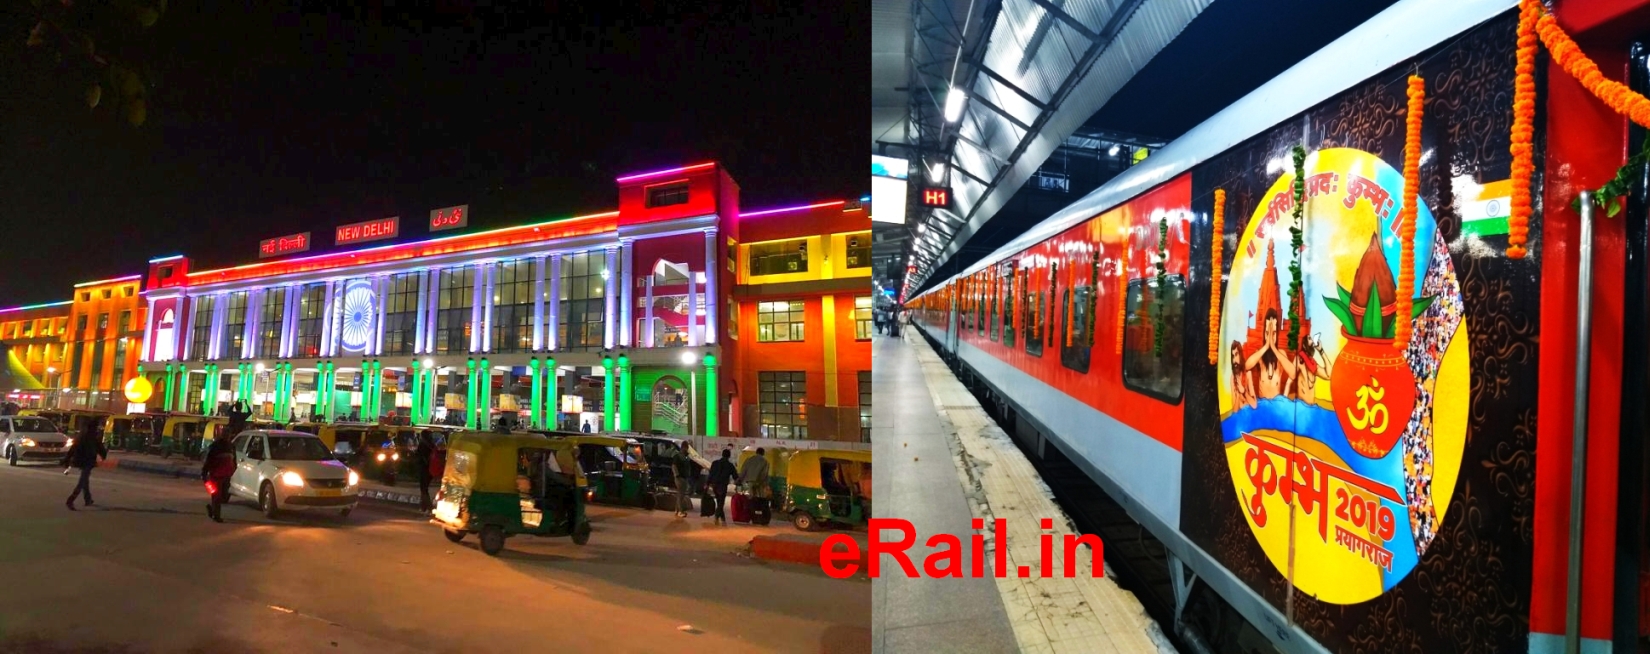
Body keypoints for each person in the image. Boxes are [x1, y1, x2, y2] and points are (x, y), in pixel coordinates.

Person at [62, 422, 108, 510]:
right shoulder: (93, 437)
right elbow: (100, 448)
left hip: (80, 461)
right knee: (82, 481)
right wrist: (103, 456)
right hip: (88, 461)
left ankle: (88, 499)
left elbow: (72, 449)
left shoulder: (81, 437)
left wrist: (67, 460)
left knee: (85, 480)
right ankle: (71, 500)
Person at [201, 431, 237, 522]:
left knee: (223, 496)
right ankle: (216, 516)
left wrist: (232, 471)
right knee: (216, 495)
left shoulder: (231, 447)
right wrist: (204, 474)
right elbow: (209, 460)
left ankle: (212, 511)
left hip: (226, 475)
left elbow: (234, 461)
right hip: (215, 475)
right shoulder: (215, 446)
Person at [706, 449, 738, 525]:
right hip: (722, 485)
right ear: (729, 456)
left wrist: (707, 483)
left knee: (719, 501)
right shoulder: (730, 465)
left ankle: (722, 518)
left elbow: (711, 474)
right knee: (721, 502)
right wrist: (739, 482)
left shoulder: (715, 463)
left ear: (722, 454)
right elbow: (735, 476)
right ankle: (717, 517)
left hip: (714, 485)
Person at [414, 432, 436, 513]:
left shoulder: (422, 445)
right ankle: (424, 506)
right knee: (424, 488)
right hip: (431, 469)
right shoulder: (432, 444)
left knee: (423, 488)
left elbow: (418, 456)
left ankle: (428, 506)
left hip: (424, 468)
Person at [672, 446, 695, 518]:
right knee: (681, 495)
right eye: (686, 448)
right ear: (682, 448)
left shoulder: (686, 457)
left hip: (684, 478)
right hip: (680, 478)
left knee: (681, 495)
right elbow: (674, 466)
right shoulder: (678, 457)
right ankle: (680, 511)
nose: (687, 450)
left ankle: (677, 510)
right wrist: (677, 475)